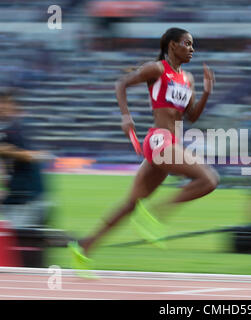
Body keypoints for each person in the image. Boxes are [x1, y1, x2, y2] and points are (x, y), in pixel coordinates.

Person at [69, 28, 218, 268]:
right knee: (209, 180)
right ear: (172, 45)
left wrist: (207, 92)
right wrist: (125, 116)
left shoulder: (187, 78)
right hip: (159, 140)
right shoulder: (157, 69)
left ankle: (84, 246)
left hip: (171, 143)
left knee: (131, 203)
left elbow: (192, 116)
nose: (192, 49)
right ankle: (157, 214)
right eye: (187, 43)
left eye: (193, 45)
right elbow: (122, 84)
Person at [0, 90, 50, 228]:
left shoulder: (16, 129)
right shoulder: (10, 129)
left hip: (27, 198)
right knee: (31, 240)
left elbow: (31, 155)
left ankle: (71, 241)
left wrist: (7, 151)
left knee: (23, 240)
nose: (2, 107)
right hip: (23, 196)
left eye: (5, 103)